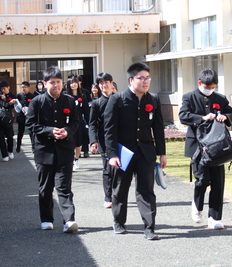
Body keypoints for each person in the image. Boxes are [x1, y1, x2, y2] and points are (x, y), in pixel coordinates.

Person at [104, 62, 167, 240]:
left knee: (146, 189)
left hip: (146, 152)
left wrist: (162, 153)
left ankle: (149, 227)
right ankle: (118, 221)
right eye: (141, 78)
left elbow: (158, 128)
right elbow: (109, 129)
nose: (146, 81)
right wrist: (112, 155)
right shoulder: (117, 99)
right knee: (120, 188)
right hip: (123, 153)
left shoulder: (153, 99)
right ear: (131, 80)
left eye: (148, 78)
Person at [179, 69, 232, 229]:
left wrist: (225, 117)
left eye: (213, 87)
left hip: (218, 146)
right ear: (199, 83)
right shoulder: (189, 97)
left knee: (218, 183)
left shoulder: (220, 99)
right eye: (207, 86)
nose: (210, 90)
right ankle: (197, 205)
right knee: (202, 180)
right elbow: (183, 116)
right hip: (198, 147)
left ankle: (215, 218)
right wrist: (202, 118)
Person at [25, 66, 80, 233]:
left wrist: (67, 131)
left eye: (58, 82)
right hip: (44, 151)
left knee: (64, 186)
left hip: (64, 150)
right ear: (44, 84)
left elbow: (76, 122)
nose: (56, 85)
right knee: (46, 187)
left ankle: (69, 220)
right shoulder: (37, 102)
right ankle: (47, 219)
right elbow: (31, 124)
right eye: (52, 82)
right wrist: (50, 131)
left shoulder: (69, 101)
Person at [89, 72, 115, 209]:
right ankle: (108, 197)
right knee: (107, 169)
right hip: (104, 140)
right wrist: (93, 141)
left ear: (111, 83)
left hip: (120, 139)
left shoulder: (120, 99)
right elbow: (92, 124)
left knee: (121, 170)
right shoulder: (97, 103)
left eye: (106, 82)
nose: (104, 85)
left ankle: (119, 194)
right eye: (101, 83)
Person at [65, 76, 90, 171]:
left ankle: (76, 160)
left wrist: (88, 123)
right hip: (68, 123)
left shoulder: (82, 96)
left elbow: (86, 111)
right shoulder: (65, 96)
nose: (73, 84)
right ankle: (70, 161)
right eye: (71, 83)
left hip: (79, 122)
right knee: (70, 142)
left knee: (78, 143)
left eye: (75, 82)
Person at [0, 80, 17, 162]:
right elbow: (3, 106)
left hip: (8, 120)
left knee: (10, 138)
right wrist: (6, 102)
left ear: (8, 88)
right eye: (2, 89)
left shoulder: (12, 95)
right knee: (1, 139)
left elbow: (13, 107)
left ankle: (10, 151)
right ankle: (4, 155)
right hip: (0, 120)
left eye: (4, 89)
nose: (3, 91)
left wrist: (11, 102)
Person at [16, 81, 35, 153]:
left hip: (29, 116)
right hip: (21, 116)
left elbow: (34, 106)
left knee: (31, 132)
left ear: (28, 87)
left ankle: (33, 147)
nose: (23, 89)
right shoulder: (19, 95)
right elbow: (16, 105)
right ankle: (18, 147)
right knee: (20, 132)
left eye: (25, 87)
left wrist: (28, 109)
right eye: (22, 87)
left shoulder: (32, 96)